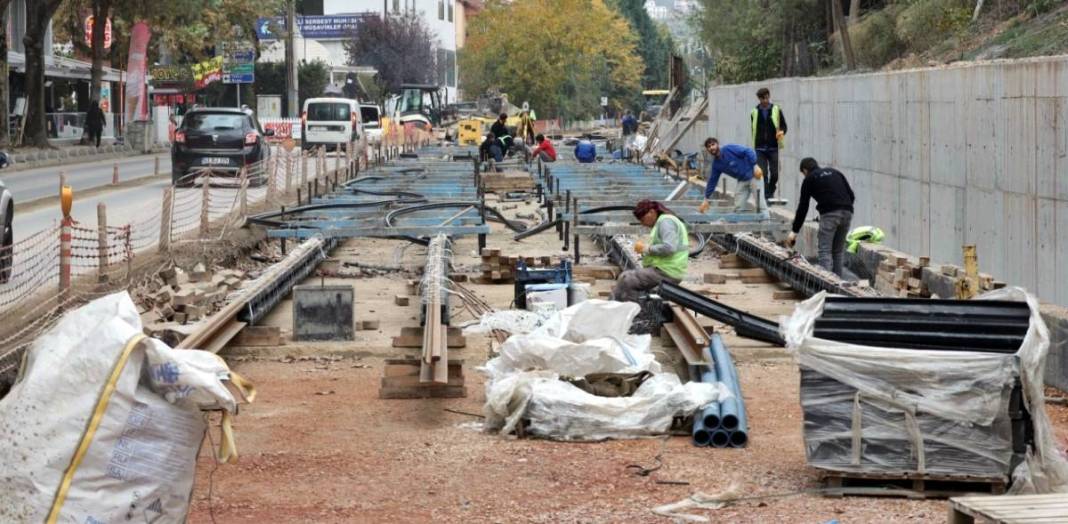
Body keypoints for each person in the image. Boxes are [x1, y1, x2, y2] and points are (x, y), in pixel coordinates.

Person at [787, 157, 855, 277]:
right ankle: (837, 283)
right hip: (847, 212)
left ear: (805, 170)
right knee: (838, 251)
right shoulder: (836, 172)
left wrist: (794, 231)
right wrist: (840, 210)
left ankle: (826, 285)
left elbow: (803, 206)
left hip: (829, 214)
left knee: (825, 251)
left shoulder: (809, 179)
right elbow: (851, 196)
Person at [612, 199, 689, 303]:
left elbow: (669, 248)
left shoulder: (665, 222)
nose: (643, 223)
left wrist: (647, 249)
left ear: (652, 212)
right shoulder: (664, 222)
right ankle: (616, 307)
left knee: (626, 279)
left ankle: (630, 312)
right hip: (666, 269)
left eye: (643, 219)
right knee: (627, 278)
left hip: (667, 271)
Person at [698, 138, 767, 215]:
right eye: (709, 146)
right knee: (738, 207)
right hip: (742, 180)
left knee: (761, 204)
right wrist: (706, 198)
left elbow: (748, 151)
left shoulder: (729, 149)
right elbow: (712, 181)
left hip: (754, 175)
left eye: (713, 144)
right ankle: (739, 225)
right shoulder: (716, 165)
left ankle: (766, 224)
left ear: (717, 144)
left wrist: (755, 165)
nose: (711, 147)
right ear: (708, 149)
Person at [751, 87, 787, 199]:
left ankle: (771, 189)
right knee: (763, 174)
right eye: (763, 99)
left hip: (773, 147)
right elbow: (753, 129)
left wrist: (781, 132)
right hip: (760, 148)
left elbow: (784, 126)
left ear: (769, 96)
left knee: (775, 173)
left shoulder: (776, 109)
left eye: (767, 98)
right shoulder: (754, 112)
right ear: (759, 99)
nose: (765, 101)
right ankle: (767, 195)